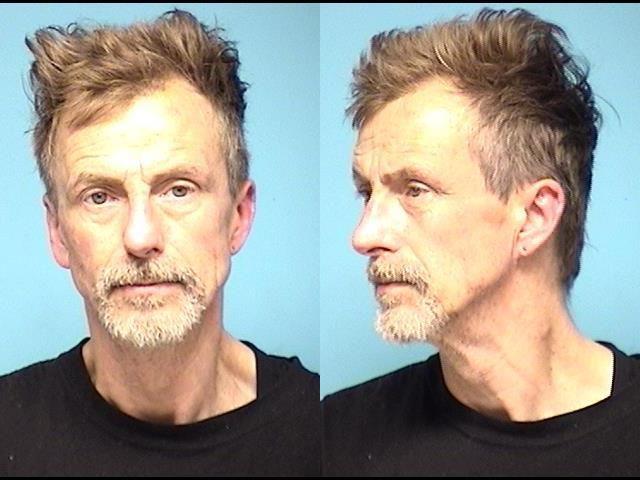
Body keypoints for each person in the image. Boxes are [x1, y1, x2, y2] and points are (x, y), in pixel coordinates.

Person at [0, 9, 319, 476]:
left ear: (238, 216)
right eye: (100, 196)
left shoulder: (320, 430)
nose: (140, 237)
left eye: (178, 190)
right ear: (57, 231)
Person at [323, 7, 640, 476]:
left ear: (534, 216)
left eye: (415, 190)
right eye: (367, 193)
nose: (364, 235)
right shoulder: (334, 441)